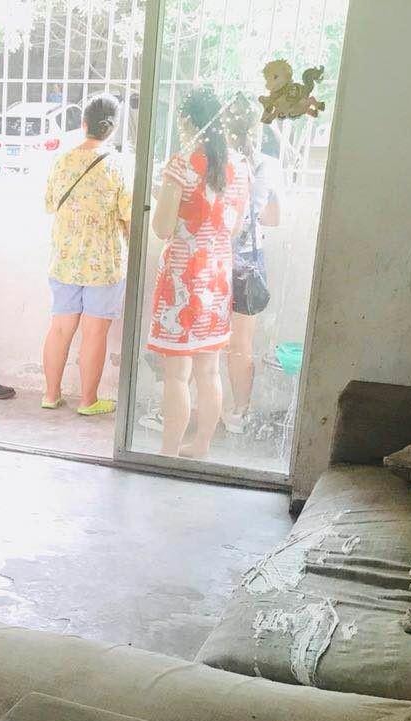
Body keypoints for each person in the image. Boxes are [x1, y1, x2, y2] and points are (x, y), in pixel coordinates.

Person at [144, 86, 249, 457]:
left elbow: (162, 228)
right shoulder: (239, 166)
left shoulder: (182, 165)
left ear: (188, 120)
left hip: (183, 280)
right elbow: (234, 227)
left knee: (177, 374)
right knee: (209, 370)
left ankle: (169, 451)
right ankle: (201, 444)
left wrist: (166, 192)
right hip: (217, 279)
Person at [40, 94, 131, 416]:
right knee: (94, 332)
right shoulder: (118, 165)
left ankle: (51, 394)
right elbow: (129, 214)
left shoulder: (62, 161)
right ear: (113, 128)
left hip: (65, 260)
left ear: (83, 124)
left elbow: (49, 203)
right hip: (103, 264)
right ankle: (88, 401)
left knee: (60, 328)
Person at [223, 98, 285, 434]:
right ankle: (240, 412)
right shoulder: (268, 165)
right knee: (241, 344)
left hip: (211, 257)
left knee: (201, 340)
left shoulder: (217, 163)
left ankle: (177, 409)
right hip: (248, 260)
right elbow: (273, 218)